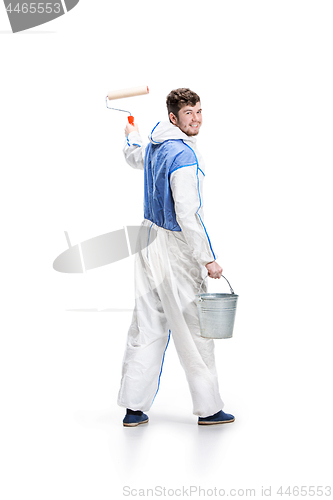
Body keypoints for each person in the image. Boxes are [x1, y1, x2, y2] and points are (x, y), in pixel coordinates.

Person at [118, 88, 235, 427]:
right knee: (194, 328)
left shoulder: (155, 143)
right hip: (175, 246)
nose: (196, 119)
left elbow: (134, 157)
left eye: (199, 111)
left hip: (147, 238)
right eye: (189, 114)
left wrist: (131, 135)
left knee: (147, 323)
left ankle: (133, 409)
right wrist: (207, 259)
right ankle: (210, 409)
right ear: (174, 117)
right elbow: (188, 214)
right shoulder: (183, 156)